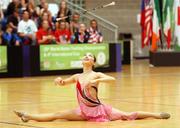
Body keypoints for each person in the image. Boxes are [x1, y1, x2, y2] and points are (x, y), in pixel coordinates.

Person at [14, 53, 171, 122]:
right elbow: (63, 84)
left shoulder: (96, 74)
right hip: (82, 112)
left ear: (93, 63)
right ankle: (28, 116)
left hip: (100, 111)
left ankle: (157, 114)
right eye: (85, 56)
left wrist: (96, 81)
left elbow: (112, 79)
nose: (86, 57)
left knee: (128, 115)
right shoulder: (77, 76)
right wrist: (59, 80)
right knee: (57, 114)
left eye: (90, 56)